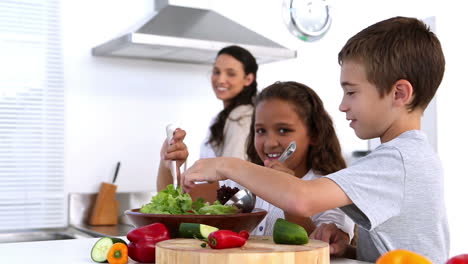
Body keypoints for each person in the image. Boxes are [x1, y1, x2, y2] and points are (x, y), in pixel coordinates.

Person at [181, 16, 449, 263]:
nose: (343, 106)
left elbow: (302, 198)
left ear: (399, 93)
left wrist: (228, 166)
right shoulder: (404, 156)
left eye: (351, 92)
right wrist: (348, 250)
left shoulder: (398, 160)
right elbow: (387, 252)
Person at [245, 81, 354, 240]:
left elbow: (324, 248)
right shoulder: (245, 183)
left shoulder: (333, 192)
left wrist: (287, 190)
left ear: (314, 134)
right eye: (261, 131)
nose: (269, 143)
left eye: (283, 130)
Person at [157, 45, 258, 201]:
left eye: (230, 73)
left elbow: (232, 182)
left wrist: (182, 190)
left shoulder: (241, 118)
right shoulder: (222, 118)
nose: (220, 79)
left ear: (248, 79)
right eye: (216, 72)